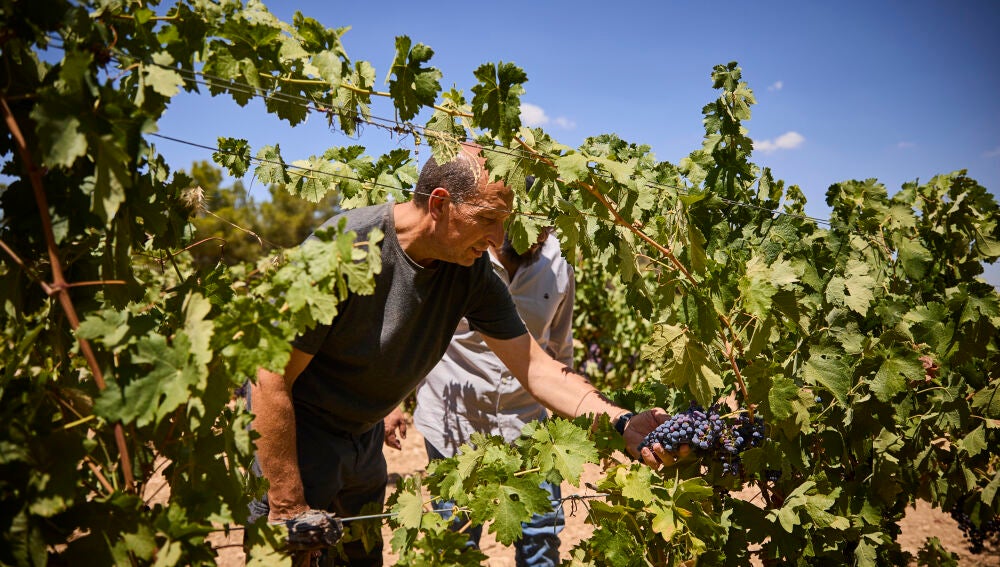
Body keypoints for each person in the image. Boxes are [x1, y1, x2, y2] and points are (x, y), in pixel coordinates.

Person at [249, 144, 676, 566]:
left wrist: (620, 421)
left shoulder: (469, 273)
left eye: (502, 222)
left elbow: (537, 368)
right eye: (487, 219)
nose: (496, 238)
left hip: (364, 439)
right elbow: (269, 377)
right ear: (440, 204)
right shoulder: (345, 247)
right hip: (296, 436)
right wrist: (287, 505)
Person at [392, 218, 574, 566]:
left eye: (545, 231)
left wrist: (575, 418)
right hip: (454, 429)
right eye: (528, 226)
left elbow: (560, 347)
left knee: (541, 539)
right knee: (456, 542)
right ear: (503, 217)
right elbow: (410, 332)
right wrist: (392, 401)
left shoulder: (558, 262)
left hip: (528, 428)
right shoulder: (456, 254)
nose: (537, 240)